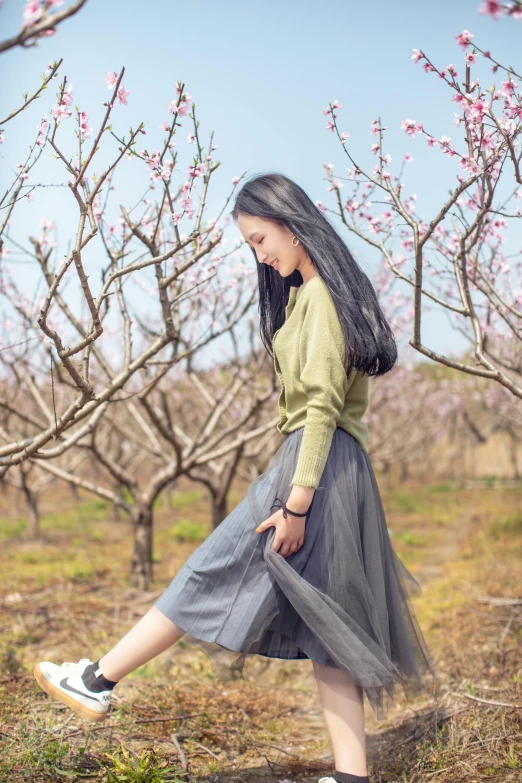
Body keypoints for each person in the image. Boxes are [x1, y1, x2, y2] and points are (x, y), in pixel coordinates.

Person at [33, 172, 438, 783]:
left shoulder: (323, 300)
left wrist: (298, 504)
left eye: (259, 239)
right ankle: (352, 776)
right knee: (328, 623)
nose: (260, 254)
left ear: (292, 223)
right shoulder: (309, 296)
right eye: (251, 245)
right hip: (333, 468)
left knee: (212, 567)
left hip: (315, 467)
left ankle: (96, 679)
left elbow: (323, 407)